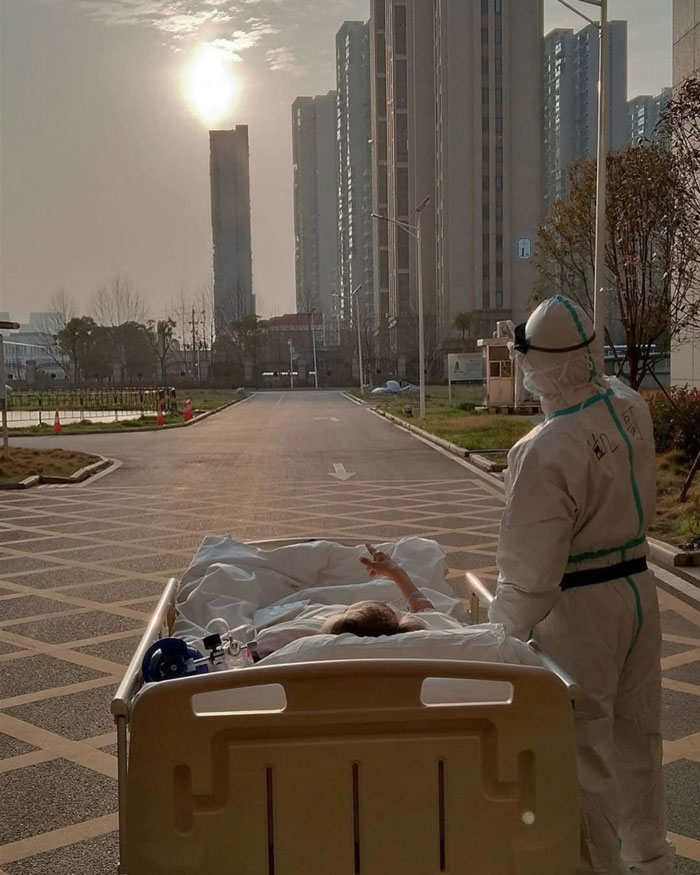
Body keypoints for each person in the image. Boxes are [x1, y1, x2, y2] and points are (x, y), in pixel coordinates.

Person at [488, 295, 670, 874]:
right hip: (640, 589)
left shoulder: (545, 448)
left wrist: (494, 638)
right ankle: (652, 856)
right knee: (638, 736)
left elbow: (531, 576)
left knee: (586, 749)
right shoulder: (630, 406)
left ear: (536, 365)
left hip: (581, 607)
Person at [321, 544, 442, 637]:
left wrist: (395, 572)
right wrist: (395, 572)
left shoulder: (314, 661)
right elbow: (425, 610)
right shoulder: (444, 637)